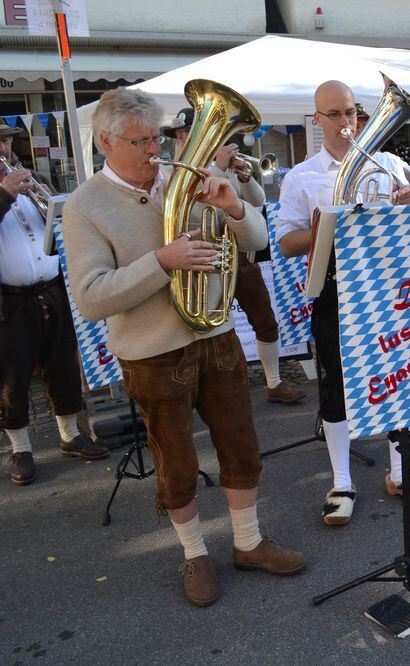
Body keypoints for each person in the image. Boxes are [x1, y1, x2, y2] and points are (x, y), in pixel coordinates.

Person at [62, 87, 305, 607]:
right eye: (140, 141)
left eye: (155, 137)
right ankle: (194, 554)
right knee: (175, 461)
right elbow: (90, 298)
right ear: (106, 142)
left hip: (215, 338)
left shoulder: (183, 179)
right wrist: (163, 261)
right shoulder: (85, 206)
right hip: (151, 354)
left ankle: (247, 541)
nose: (155, 150)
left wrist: (235, 206)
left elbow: (258, 242)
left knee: (242, 446)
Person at [275, 80, 410, 526]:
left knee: (398, 376)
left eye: (351, 112)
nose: (346, 122)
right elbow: (287, 244)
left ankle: (401, 472)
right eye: (335, 114)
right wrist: (325, 225)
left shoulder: (388, 165)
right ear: (318, 120)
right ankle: (342, 481)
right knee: (336, 386)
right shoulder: (301, 176)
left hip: (388, 287)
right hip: (335, 287)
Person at [162, 108, 305, 405]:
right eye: (191, 133)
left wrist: (245, 176)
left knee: (265, 319)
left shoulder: (220, 167)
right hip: (201, 259)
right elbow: (189, 210)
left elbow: (256, 202)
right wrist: (218, 169)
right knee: (214, 329)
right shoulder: (170, 172)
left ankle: (274, 382)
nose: (200, 140)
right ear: (179, 137)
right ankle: (211, 391)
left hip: (237, 253)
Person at [0, 124, 109, 486]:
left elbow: (55, 226)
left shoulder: (26, 182)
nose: (6, 148)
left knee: (62, 366)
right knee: (12, 379)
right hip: (10, 303)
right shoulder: (6, 189)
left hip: (51, 289)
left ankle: (69, 436)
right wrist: (3, 195)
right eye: (0, 143)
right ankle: (21, 449)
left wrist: (49, 202)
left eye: (7, 141)